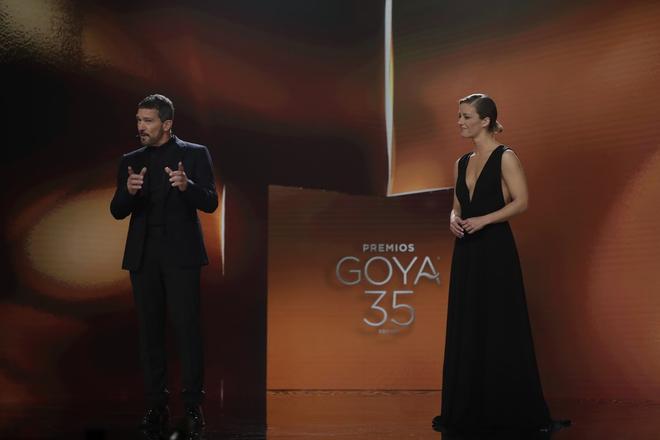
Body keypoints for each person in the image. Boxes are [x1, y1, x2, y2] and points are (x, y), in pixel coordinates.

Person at [433, 93, 569, 435]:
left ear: (486, 121)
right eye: (459, 116)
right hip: (466, 251)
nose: (460, 122)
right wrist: (453, 218)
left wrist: (485, 221)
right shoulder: (461, 161)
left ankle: (508, 408)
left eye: (466, 116)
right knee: (469, 325)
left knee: (499, 326)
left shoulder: (506, 157)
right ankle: (469, 408)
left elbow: (522, 202)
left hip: (495, 251)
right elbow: (457, 205)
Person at [110, 94, 218, 439]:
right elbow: (117, 210)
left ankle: (192, 406)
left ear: (167, 124)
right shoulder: (131, 160)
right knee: (150, 331)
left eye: (148, 121)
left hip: (181, 255)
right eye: (139, 120)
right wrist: (128, 191)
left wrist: (188, 187)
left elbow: (211, 201)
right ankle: (156, 404)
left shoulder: (195, 154)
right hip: (143, 255)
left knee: (187, 329)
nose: (140, 127)